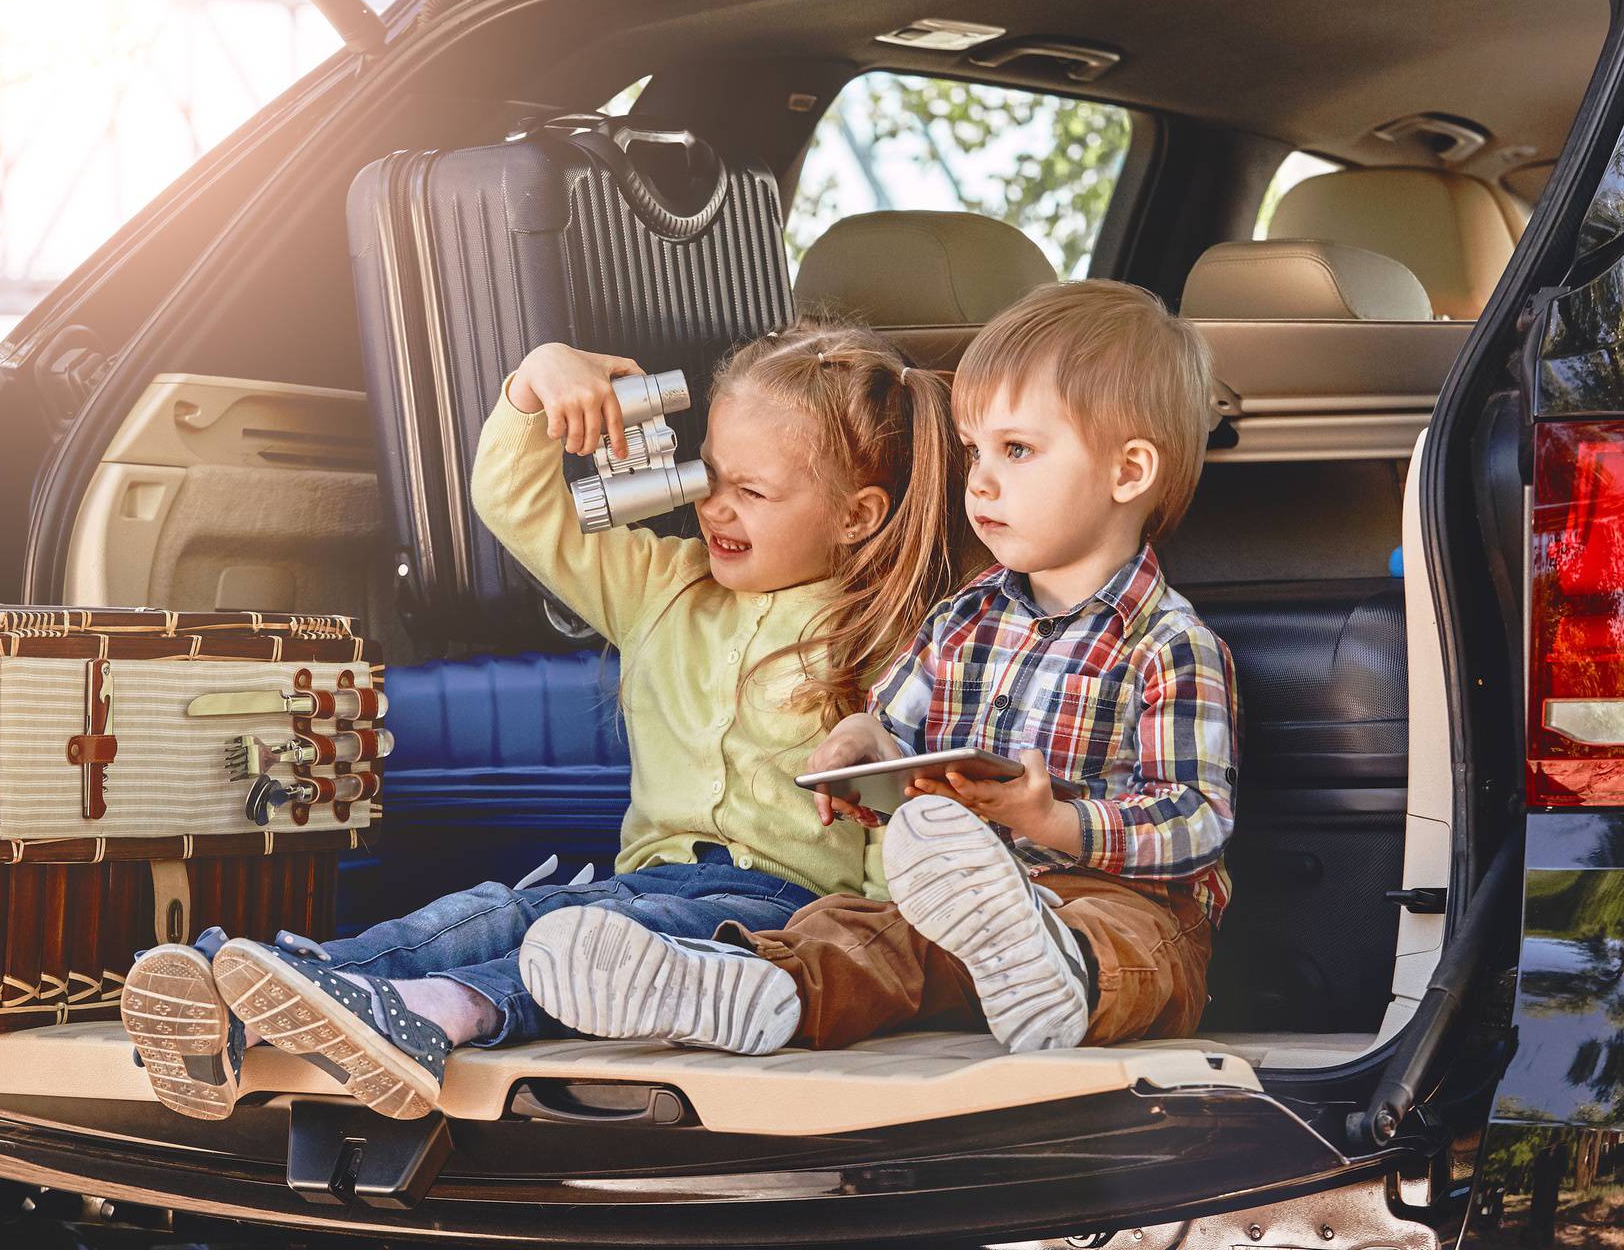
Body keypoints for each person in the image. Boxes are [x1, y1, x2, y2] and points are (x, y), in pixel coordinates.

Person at [121, 315, 964, 1119]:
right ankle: (251, 992)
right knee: (499, 910)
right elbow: (518, 505)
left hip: (782, 916)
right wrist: (537, 379)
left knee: (595, 941)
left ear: (858, 516)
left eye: (752, 491)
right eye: (710, 474)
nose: (714, 507)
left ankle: (437, 1014)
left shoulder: (894, 635)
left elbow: (910, 812)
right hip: (646, 873)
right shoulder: (663, 587)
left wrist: (891, 954)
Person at [523, 280, 1238, 1058]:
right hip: (964, 905)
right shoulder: (962, 618)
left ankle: (1059, 977)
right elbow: (888, 722)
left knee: (1134, 947)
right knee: (853, 934)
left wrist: (1054, 822)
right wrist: (860, 748)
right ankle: (753, 988)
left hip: (1115, 897)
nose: (983, 480)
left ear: (1128, 472)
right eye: (975, 452)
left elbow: (1195, 819)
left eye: (1018, 450)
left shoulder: (1168, 644)